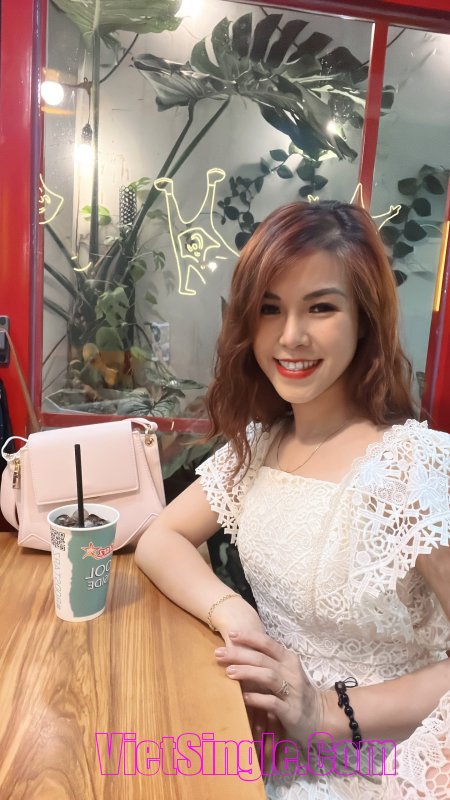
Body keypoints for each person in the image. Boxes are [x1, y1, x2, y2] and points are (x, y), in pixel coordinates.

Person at [135, 200, 450, 798]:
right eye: (270, 308)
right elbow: (160, 538)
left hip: (384, 763)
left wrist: (327, 711)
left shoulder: (415, 465)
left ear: (365, 319)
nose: (289, 336)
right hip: (264, 739)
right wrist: (238, 618)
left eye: (321, 307)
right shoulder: (260, 445)